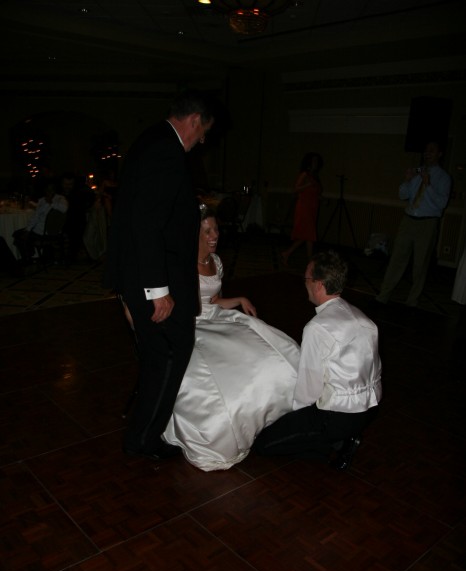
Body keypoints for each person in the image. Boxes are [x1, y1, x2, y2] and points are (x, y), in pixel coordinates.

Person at [103, 90, 215, 462]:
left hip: (143, 272)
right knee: (168, 355)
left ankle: (145, 433)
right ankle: (144, 439)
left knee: (159, 356)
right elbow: (147, 222)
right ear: (196, 121)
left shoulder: (151, 139)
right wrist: (157, 291)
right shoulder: (166, 150)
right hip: (155, 276)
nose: (203, 140)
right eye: (204, 132)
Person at [162, 206, 301, 470]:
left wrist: (239, 299)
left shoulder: (216, 261)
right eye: (207, 231)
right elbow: (181, 307)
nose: (214, 235)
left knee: (267, 347)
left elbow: (213, 300)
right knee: (224, 369)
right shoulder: (181, 265)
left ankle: (279, 414)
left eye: (215, 229)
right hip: (191, 324)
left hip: (215, 315)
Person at [254, 249, 382, 470]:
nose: (305, 283)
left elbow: (308, 392)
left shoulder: (317, 328)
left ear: (319, 285)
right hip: (369, 410)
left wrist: (290, 416)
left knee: (264, 444)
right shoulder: (364, 318)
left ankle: (335, 445)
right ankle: (341, 438)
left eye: (307, 279)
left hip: (337, 417)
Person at [376, 141, 451, 307]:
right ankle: (383, 296)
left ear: (439, 154)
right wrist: (407, 180)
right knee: (397, 259)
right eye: (426, 150)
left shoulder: (444, 178)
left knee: (420, 264)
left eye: (432, 150)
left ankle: (412, 302)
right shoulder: (418, 173)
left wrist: (428, 184)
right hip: (408, 220)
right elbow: (403, 195)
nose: (427, 153)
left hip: (427, 223)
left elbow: (441, 203)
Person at [281, 152, 323, 266]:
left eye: (316, 161)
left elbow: (316, 192)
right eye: (313, 161)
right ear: (309, 162)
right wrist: (308, 185)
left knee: (307, 236)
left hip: (312, 208)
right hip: (304, 208)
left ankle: (287, 253)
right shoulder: (305, 174)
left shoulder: (315, 176)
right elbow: (295, 190)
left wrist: (319, 197)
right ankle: (310, 263)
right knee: (309, 235)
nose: (315, 163)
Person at [13, 180, 68, 265]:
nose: (49, 191)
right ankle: (30, 257)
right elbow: (35, 217)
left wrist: (51, 203)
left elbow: (64, 209)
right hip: (39, 229)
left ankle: (28, 259)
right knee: (17, 234)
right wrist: (28, 229)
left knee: (19, 237)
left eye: (51, 189)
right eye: (47, 189)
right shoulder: (42, 200)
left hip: (47, 231)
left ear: (55, 190)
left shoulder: (60, 199)